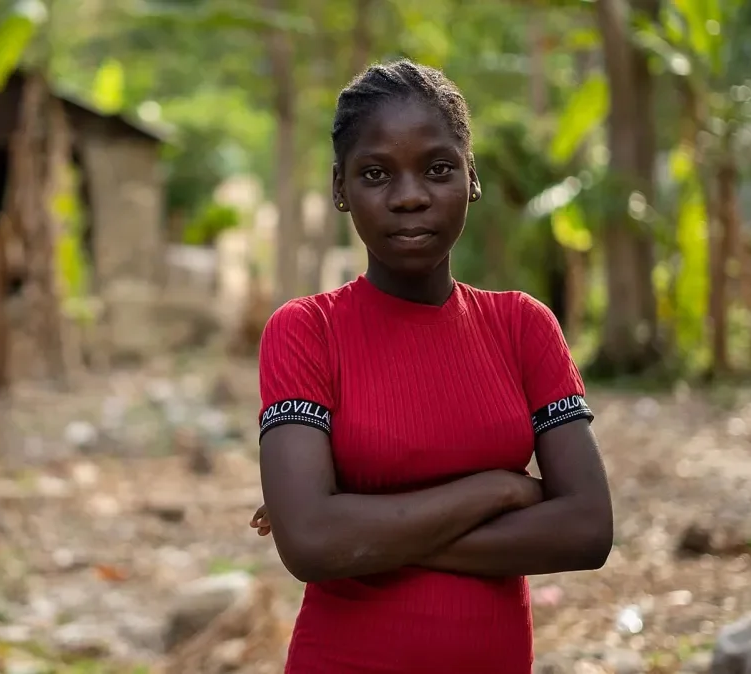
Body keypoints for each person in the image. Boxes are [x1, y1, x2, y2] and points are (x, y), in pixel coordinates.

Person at [247, 60, 613, 673]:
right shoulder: (307, 331)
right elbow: (310, 542)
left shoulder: (523, 327)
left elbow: (587, 529)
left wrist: (362, 527)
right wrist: (501, 488)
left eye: (438, 169)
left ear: (471, 178)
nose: (410, 195)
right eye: (375, 174)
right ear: (340, 188)